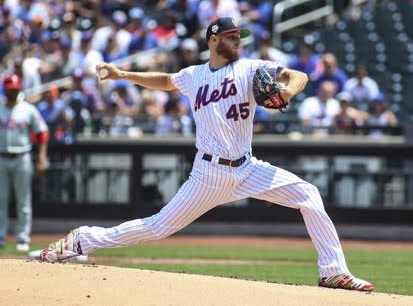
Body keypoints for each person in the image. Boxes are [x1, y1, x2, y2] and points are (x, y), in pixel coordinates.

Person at [39, 17, 374, 292]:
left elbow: (298, 75)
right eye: (230, 36)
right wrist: (123, 75)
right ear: (213, 41)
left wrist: (286, 90)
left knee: (308, 194)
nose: (237, 41)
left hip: (247, 167)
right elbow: (166, 81)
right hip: (208, 175)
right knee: (157, 228)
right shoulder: (194, 75)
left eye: (239, 36)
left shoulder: (251, 68)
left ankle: (332, 271)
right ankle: (83, 239)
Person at [0, 74, 48, 252]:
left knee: (23, 201)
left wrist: (42, 158)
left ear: (19, 89)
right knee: (1, 200)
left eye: (15, 89)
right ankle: (0, 238)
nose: (13, 92)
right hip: (1, 158)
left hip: (22, 157)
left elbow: (42, 132)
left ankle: (22, 238)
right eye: (10, 89)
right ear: (5, 89)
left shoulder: (28, 109)